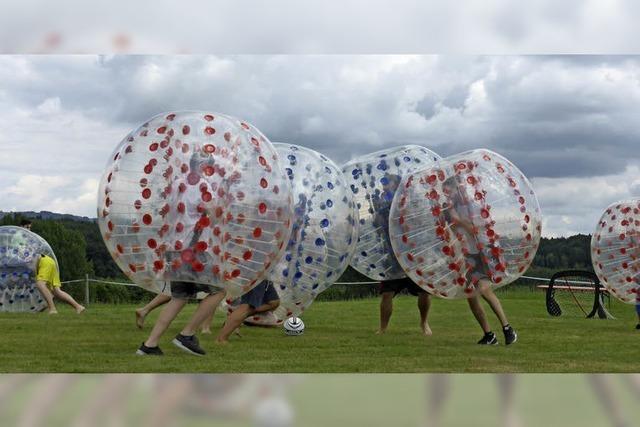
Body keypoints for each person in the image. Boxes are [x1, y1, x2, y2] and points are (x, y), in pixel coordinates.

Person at [443, 176, 517, 345]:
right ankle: (489, 335)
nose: (447, 195)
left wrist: (458, 220)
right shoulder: (449, 209)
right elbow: (455, 233)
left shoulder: (473, 208)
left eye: (449, 191)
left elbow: (474, 231)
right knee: (470, 294)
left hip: (484, 251)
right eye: (445, 192)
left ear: (459, 189)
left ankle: (507, 328)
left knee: (483, 288)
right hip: (469, 254)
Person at [216, 280, 280, 344]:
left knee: (274, 302)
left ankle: (236, 314)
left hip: (266, 276)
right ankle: (221, 339)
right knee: (247, 306)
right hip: (257, 274)